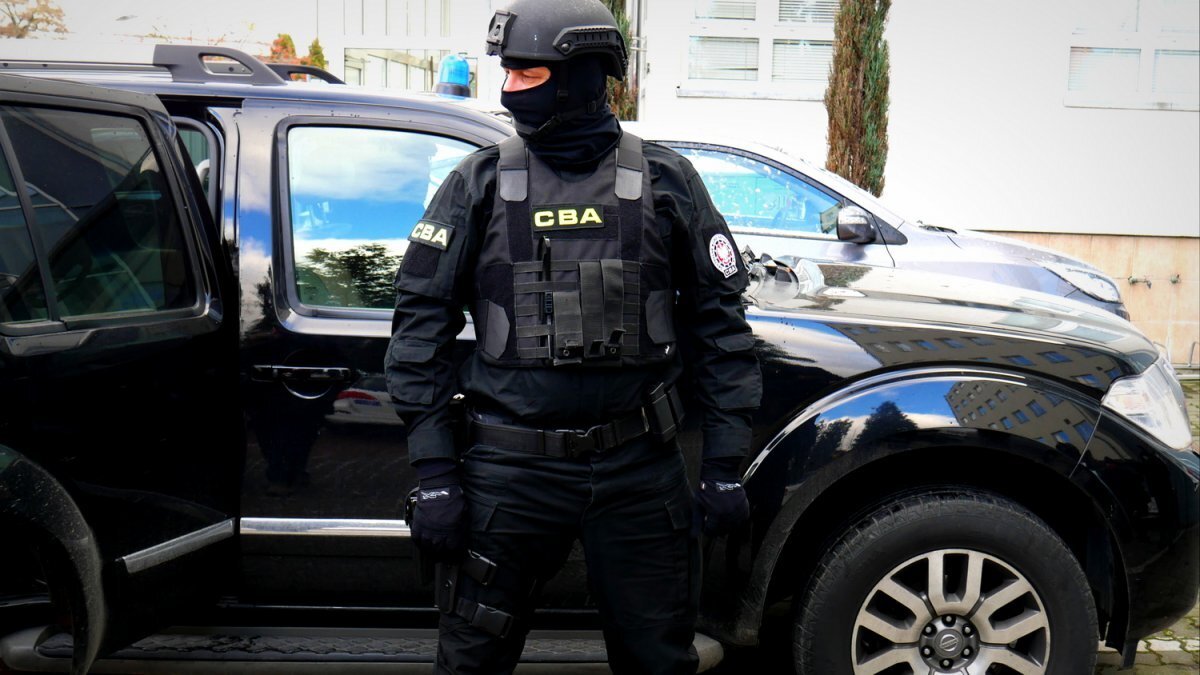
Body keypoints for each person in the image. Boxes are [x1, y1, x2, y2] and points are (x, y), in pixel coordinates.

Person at [385, 1, 761, 672]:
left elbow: (721, 329)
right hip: (510, 473)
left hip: (638, 472)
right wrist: (435, 471)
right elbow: (419, 332)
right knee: (471, 661)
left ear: (583, 78)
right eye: (508, 73)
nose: (509, 90)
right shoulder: (477, 183)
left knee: (658, 660)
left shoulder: (666, 180)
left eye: (528, 75)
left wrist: (725, 465)